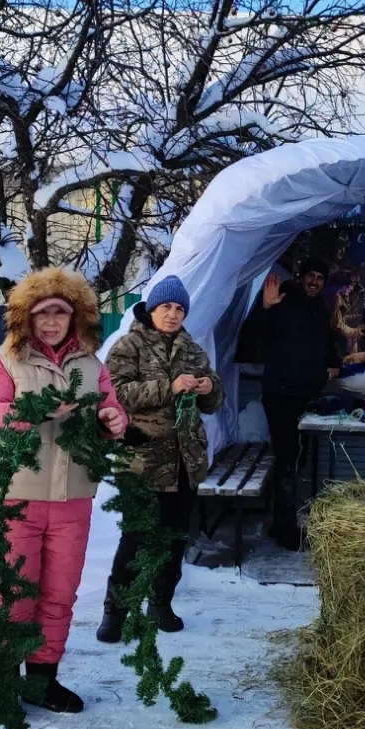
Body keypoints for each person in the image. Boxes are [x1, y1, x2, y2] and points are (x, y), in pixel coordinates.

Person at [0, 267, 128, 715]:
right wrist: (35, 410)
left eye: (60, 312)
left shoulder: (91, 364)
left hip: (73, 495)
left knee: (60, 593)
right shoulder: (4, 359)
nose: (51, 321)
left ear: (75, 316)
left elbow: (110, 411)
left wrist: (113, 422)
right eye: (42, 313)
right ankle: (1, 682)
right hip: (15, 492)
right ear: (26, 317)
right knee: (15, 593)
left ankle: (42, 681)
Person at [98, 275, 224, 642]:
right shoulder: (129, 346)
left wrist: (208, 387)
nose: (173, 314)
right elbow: (114, 394)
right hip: (141, 460)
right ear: (152, 308)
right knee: (136, 537)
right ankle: (116, 611)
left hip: (184, 460)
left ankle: (160, 604)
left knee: (173, 538)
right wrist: (167, 388)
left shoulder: (192, 350)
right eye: (166, 307)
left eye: (180, 308)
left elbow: (214, 404)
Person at [255, 258, 337, 550]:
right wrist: (266, 307)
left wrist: (333, 365)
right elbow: (257, 336)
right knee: (288, 459)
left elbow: (323, 346)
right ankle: (287, 530)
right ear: (301, 278)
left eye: (320, 277)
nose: (315, 281)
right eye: (311, 276)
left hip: (306, 396)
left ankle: (283, 521)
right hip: (281, 394)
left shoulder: (318, 310)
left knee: (296, 460)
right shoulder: (283, 302)